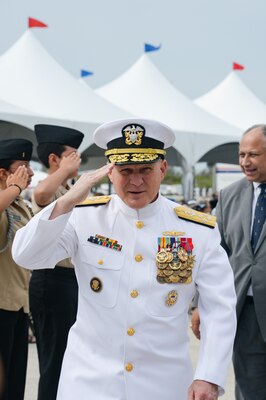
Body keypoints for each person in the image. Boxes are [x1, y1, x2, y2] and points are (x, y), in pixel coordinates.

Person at [12, 118, 236, 400]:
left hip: (162, 384)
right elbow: (26, 255)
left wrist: (209, 376)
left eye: (146, 170)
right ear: (109, 172)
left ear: (163, 169)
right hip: (90, 382)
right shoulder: (84, 216)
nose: (136, 181)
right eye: (126, 170)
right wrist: (68, 201)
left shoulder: (197, 229)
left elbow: (220, 306)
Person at [191, 124, 266, 400]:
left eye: (254, 154)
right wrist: (200, 304)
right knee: (250, 389)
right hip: (245, 313)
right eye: (242, 154)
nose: (245, 162)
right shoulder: (230, 195)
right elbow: (215, 254)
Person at [29, 124, 84, 400]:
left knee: (66, 361)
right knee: (53, 363)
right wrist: (64, 169)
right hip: (51, 280)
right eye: (73, 154)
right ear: (54, 159)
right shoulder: (48, 186)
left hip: (68, 281)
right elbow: (40, 196)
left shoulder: (66, 188)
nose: (79, 159)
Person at [0, 138, 34, 400]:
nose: (31, 173)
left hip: (18, 305)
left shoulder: (20, 204)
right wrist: (13, 187)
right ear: (3, 173)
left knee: (14, 385)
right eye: (23, 166)